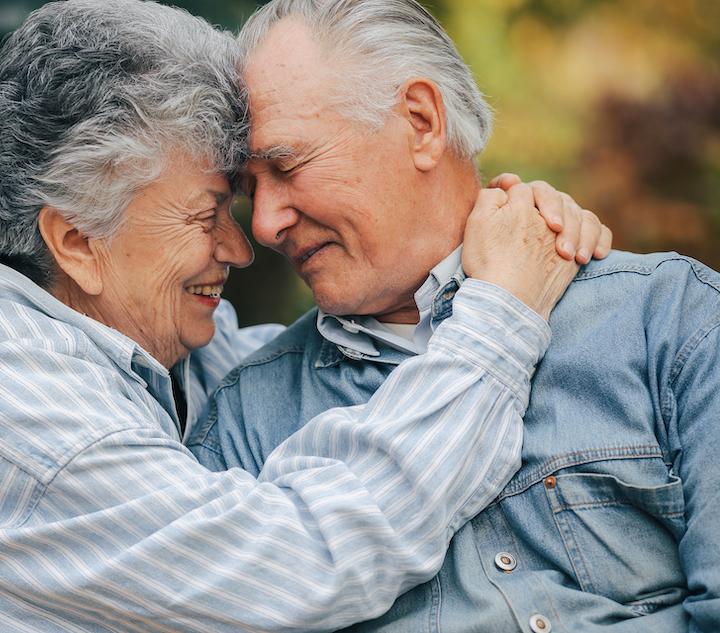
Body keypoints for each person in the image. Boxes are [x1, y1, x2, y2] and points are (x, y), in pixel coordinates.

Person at [0, 1, 608, 631]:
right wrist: (501, 316)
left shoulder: (85, 317)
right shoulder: (6, 400)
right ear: (77, 239)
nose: (246, 241)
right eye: (206, 214)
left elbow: (313, 365)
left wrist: (501, 247)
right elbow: (306, 562)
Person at [188, 1, 720, 631]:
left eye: (287, 166)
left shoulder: (669, 316)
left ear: (420, 122)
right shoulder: (247, 422)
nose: (268, 224)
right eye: (252, 190)